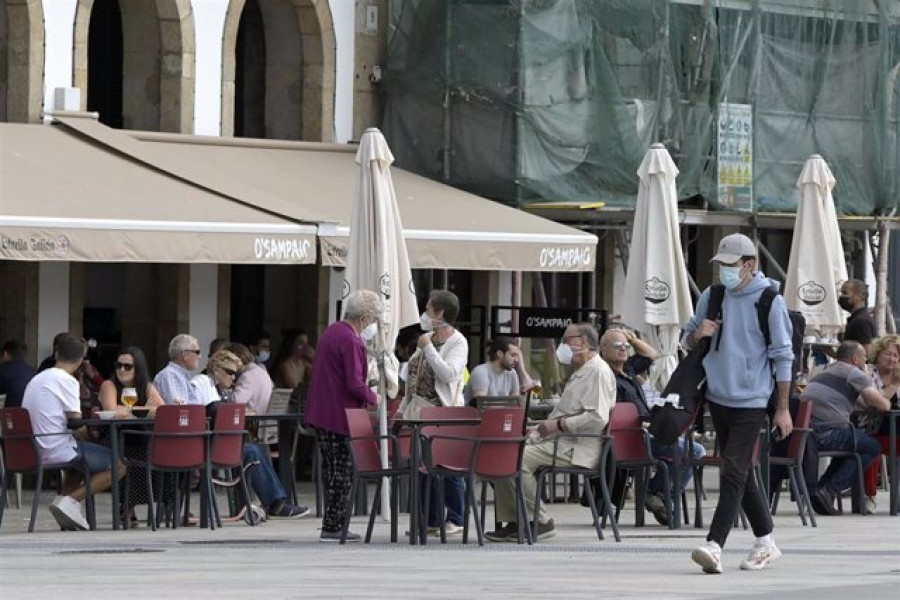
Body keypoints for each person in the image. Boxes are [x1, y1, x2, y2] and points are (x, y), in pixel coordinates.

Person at [682, 233, 793, 573]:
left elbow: (783, 356)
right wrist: (698, 334)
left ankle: (715, 545)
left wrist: (783, 407)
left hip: (752, 399)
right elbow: (686, 339)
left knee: (732, 469)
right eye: (720, 266)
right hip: (717, 396)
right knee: (740, 472)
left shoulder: (771, 301)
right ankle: (766, 541)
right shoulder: (713, 296)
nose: (724, 273)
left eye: (730, 266)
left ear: (750, 265)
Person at [486, 322, 616, 542]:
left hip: (578, 447)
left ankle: (540, 520)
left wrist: (558, 425)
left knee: (516, 459)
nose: (563, 345)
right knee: (502, 454)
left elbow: (597, 418)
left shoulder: (597, 372)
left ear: (583, 342)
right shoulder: (582, 372)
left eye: (567, 340)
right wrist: (538, 428)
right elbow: (567, 413)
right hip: (563, 441)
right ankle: (518, 519)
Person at [598, 328, 705, 526]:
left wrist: (631, 338)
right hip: (631, 440)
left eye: (625, 346)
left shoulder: (628, 369)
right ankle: (659, 495)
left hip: (646, 433)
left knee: (692, 451)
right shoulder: (605, 375)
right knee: (694, 451)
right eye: (617, 346)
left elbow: (652, 354)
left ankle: (658, 494)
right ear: (603, 349)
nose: (623, 349)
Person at [22, 334, 126, 530]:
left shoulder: (36, 379)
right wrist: (88, 435)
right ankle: (70, 501)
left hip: (33, 448)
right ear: (81, 359)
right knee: (119, 465)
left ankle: (68, 509)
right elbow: (76, 422)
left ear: (57, 353)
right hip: (54, 448)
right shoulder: (66, 380)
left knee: (77, 465)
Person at [305, 290, 382, 542]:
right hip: (340, 415)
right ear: (365, 317)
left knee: (332, 470)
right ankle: (334, 525)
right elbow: (354, 383)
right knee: (342, 471)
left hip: (323, 412)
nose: (372, 325)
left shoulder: (331, 332)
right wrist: (375, 398)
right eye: (373, 320)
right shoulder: (351, 340)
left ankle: (332, 522)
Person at [195, 349, 309, 519]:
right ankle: (275, 504)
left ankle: (266, 503)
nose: (234, 378)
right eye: (230, 373)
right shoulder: (204, 383)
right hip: (205, 444)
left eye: (236, 374)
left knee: (255, 449)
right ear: (216, 370)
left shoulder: (221, 390)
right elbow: (211, 412)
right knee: (252, 451)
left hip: (218, 442)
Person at [397, 290, 469, 536]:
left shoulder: (457, 342)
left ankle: (457, 518)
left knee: (447, 467)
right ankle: (430, 520)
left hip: (443, 413)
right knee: (423, 466)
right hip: (420, 414)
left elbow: (449, 374)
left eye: (428, 309)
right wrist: (401, 408)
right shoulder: (426, 338)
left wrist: (428, 349)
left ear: (440, 314)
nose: (424, 314)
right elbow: (413, 377)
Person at [801, 341, 893, 516]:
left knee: (853, 447)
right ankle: (828, 489)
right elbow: (882, 405)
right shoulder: (855, 373)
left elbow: (860, 403)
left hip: (807, 434)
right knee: (872, 447)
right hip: (827, 432)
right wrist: (887, 394)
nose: (865, 361)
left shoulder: (825, 372)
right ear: (855, 358)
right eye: (864, 358)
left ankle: (822, 491)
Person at [98, 346, 165, 522]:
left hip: (139, 437)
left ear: (139, 368)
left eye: (128, 366)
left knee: (156, 452)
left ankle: (162, 505)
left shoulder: (146, 386)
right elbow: (112, 410)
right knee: (129, 453)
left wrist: (129, 410)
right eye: (119, 365)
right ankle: (126, 506)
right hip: (113, 438)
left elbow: (162, 411)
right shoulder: (109, 385)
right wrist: (143, 409)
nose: (122, 370)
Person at [861, 335, 900, 514]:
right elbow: (877, 402)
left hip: (896, 432)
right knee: (872, 449)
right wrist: (894, 386)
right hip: (871, 430)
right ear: (878, 354)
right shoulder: (868, 373)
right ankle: (870, 497)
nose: (892, 359)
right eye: (888, 354)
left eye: (896, 355)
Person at [153, 334, 202, 405]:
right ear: (185, 355)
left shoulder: (179, 375)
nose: (200, 356)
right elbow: (179, 410)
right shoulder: (170, 375)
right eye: (197, 352)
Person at [227, 342, 274, 415]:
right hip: (266, 421)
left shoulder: (247, 376)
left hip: (252, 422)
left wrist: (226, 396)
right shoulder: (262, 371)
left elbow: (235, 402)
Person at [839, 279, 876, 352]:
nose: (841, 296)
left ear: (858, 296)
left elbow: (866, 353)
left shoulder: (861, 322)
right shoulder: (859, 319)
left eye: (845, 293)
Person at [0, 339, 36, 408]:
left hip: (10, 415)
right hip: (29, 415)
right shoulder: (33, 372)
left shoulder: (2, 370)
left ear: (5, 354)